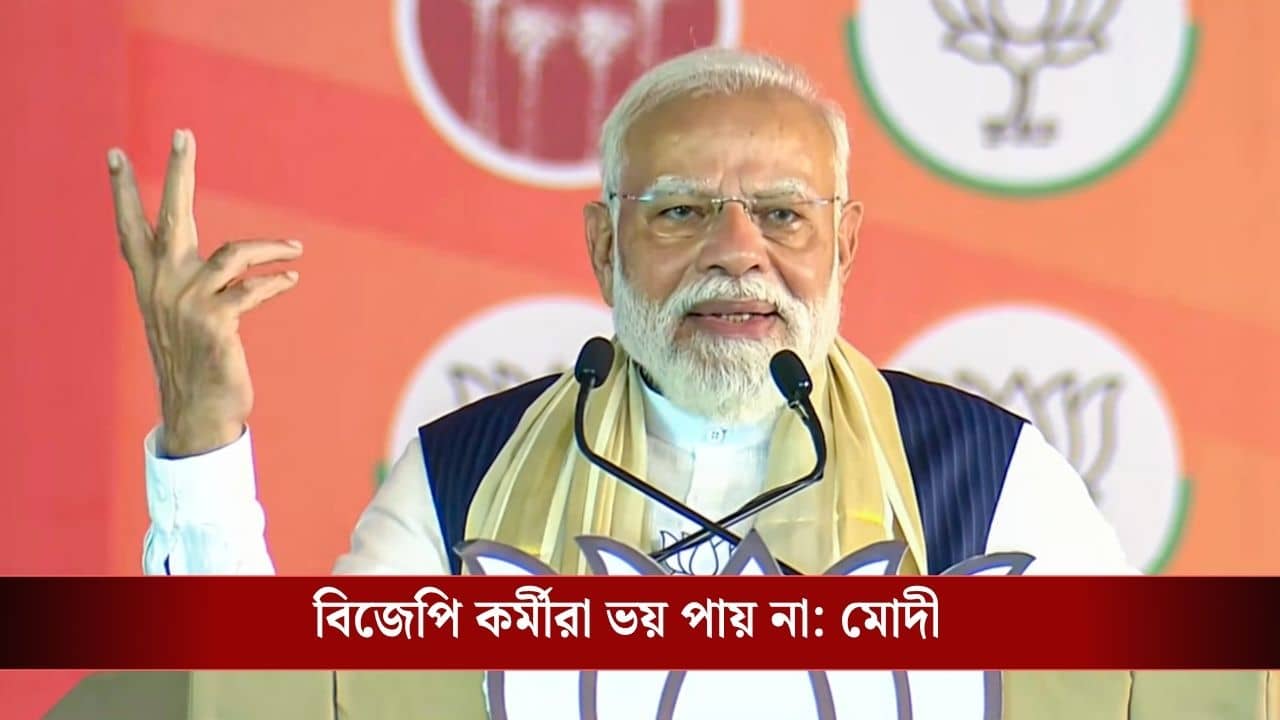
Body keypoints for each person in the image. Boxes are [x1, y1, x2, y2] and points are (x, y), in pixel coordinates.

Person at [109, 48, 1132, 578]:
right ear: (604, 246)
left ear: (844, 246)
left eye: (782, 214)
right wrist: (202, 438)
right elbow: (278, 705)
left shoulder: (981, 475)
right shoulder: (465, 478)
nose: (738, 251)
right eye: (681, 211)